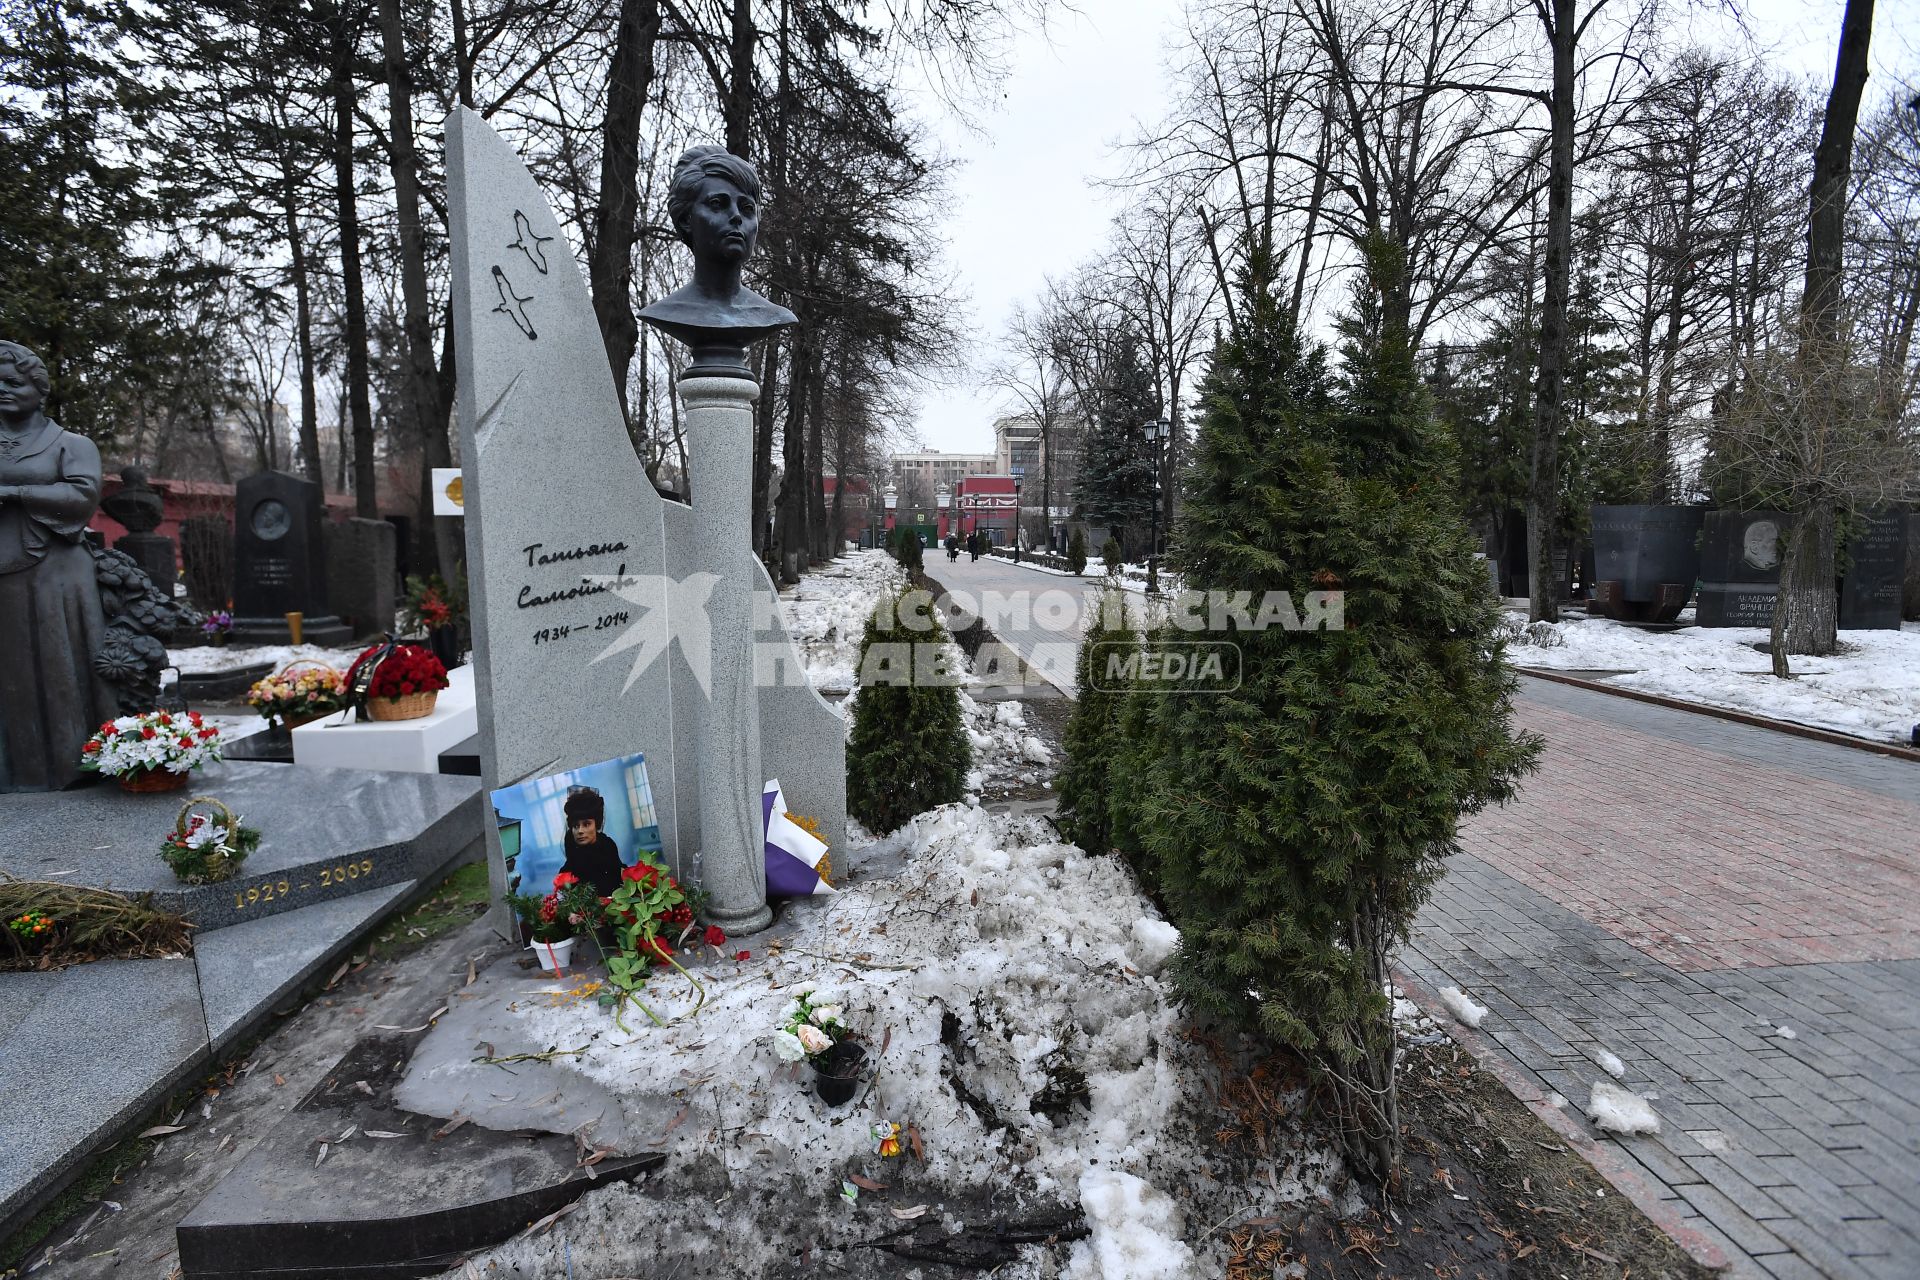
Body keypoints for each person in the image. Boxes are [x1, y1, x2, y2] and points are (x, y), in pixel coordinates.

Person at [0, 341, 115, 792]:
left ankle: (75, 764)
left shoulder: (71, 444)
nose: (3, 390)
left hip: (58, 573)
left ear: (38, 388)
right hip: (4, 574)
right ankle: (16, 771)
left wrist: (15, 493)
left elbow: (83, 497)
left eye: (14, 382)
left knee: (60, 665)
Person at [558, 787, 626, 897]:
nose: (580, 831)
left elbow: (617, 873)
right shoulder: (573, 852)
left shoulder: (608, 845)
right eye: (576, 826)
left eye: (586, 824)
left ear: (596, 824)